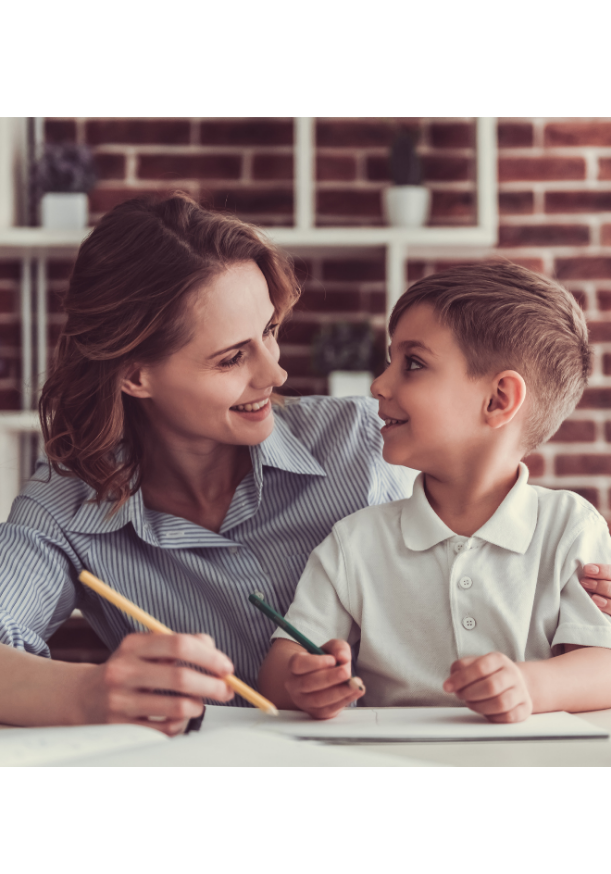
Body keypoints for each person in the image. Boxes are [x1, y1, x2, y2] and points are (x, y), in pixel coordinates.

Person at [0, 194, 414, 733]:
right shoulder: (65, 508)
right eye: (232, 357)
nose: (275, 374)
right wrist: (92, 692)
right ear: (135, 376)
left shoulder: (365, 443)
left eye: (269, 331)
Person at [259, 264, 611, 723]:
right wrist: (303, 684)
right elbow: (277, 675)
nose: (379, 385)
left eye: (414, 364)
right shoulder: (355, 541)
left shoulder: (570, 528)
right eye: (391, 361)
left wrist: (528, 685)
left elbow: (602, 666)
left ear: (499, 399)